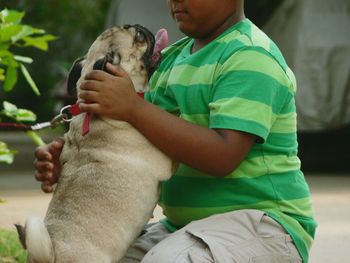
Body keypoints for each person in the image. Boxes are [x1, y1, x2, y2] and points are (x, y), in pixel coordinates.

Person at [34, 0, 317, 262]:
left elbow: (223, 156)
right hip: (186, 228)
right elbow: (145, 138)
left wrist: (132, 107)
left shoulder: (251, 57)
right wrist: (73, 158)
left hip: (263, 226)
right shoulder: (172, 59)